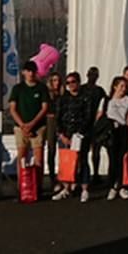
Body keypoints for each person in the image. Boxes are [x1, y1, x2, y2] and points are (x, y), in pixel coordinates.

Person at [53, 72, 95, 203]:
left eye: (73, 82)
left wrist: (78, 134)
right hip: (65, 133)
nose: (71, 85)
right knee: (65, 161)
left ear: (78, 82)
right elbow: (58, 117)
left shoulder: (86, 98)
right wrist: (62, 134)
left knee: (82, 161)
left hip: (81, 134)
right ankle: (66, 188)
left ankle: (84, 189)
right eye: (68, 83)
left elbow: (89, 117)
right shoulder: (63, 99)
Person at [8, 61, 50, 179]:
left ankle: (37, 186)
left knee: (39, 157)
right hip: (21, 127)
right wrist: (23, 125)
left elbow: (44, 108)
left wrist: (32, 124)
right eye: (28, 71)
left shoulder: (41, 88)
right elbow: (12, 109)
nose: (31, 74)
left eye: (33, 71)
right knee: (22, 155)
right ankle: (22, 185)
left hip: (38, 127)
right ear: (23, 73)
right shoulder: (18, 89)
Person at [97, 77, 128, 200]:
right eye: (121, 86)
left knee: (121, 159)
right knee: (112, 159)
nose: (123, 89)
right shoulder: (107, 100)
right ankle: (112, 186)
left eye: (125, 86)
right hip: (111, 131)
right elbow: (99, 116)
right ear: (115, 86)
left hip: (122, 130)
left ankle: (121, 185)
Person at [82, 67, 108, 184]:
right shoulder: (82, 89)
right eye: (91, 75)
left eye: (95, 75)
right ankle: (83, 173)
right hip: (84, 124)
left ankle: (96, 173)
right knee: (83, 151)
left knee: (96, 150)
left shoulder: (100, 90)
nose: (93, 77)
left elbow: (105, 104)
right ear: (87, 75)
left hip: (96, 123)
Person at [44, 72, 63, 188]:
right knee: (51, 149)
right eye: (54, 80)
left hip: (61, 121)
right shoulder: (47, 94)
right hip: (50, 122)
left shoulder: (62, 94)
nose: (57, 83)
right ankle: (52, 177)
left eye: (58, 80)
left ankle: (63, 175)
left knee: (63, 150)